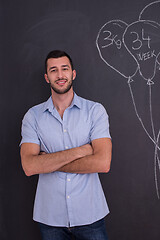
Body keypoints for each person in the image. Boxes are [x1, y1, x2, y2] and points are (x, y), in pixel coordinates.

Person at [20, 50, 112, 240]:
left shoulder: (95, 111)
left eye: (64, 69)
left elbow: (102, 163)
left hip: (90, 215)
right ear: (47, 77)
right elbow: (29, 166)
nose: (60, 75)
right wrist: (82, 151)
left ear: (73, 74)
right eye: (53, 70)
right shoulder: (33, 116)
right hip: (50, 218)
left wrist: (47, 162)